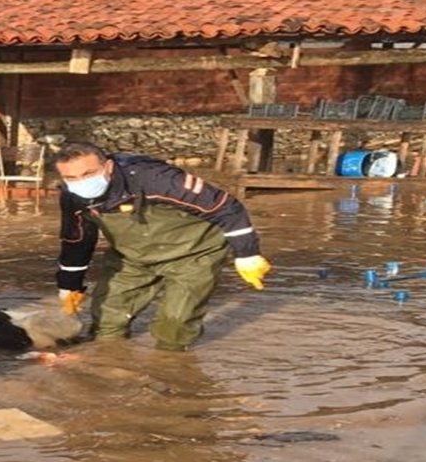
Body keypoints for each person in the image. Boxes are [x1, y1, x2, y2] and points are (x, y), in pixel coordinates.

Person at [52, 142, 271, 352]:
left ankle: (171, 372)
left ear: (108, 166)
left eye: (88, 174)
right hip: (132, 257)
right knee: (106, 320)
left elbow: (225, 207)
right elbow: (77, 240)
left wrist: (247, 254)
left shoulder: (157, 179)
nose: (81, 182)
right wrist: (70, 285)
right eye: (71, 177)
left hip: (194, 253)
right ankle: (109, 371)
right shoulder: (74, 197)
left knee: (175, 325)